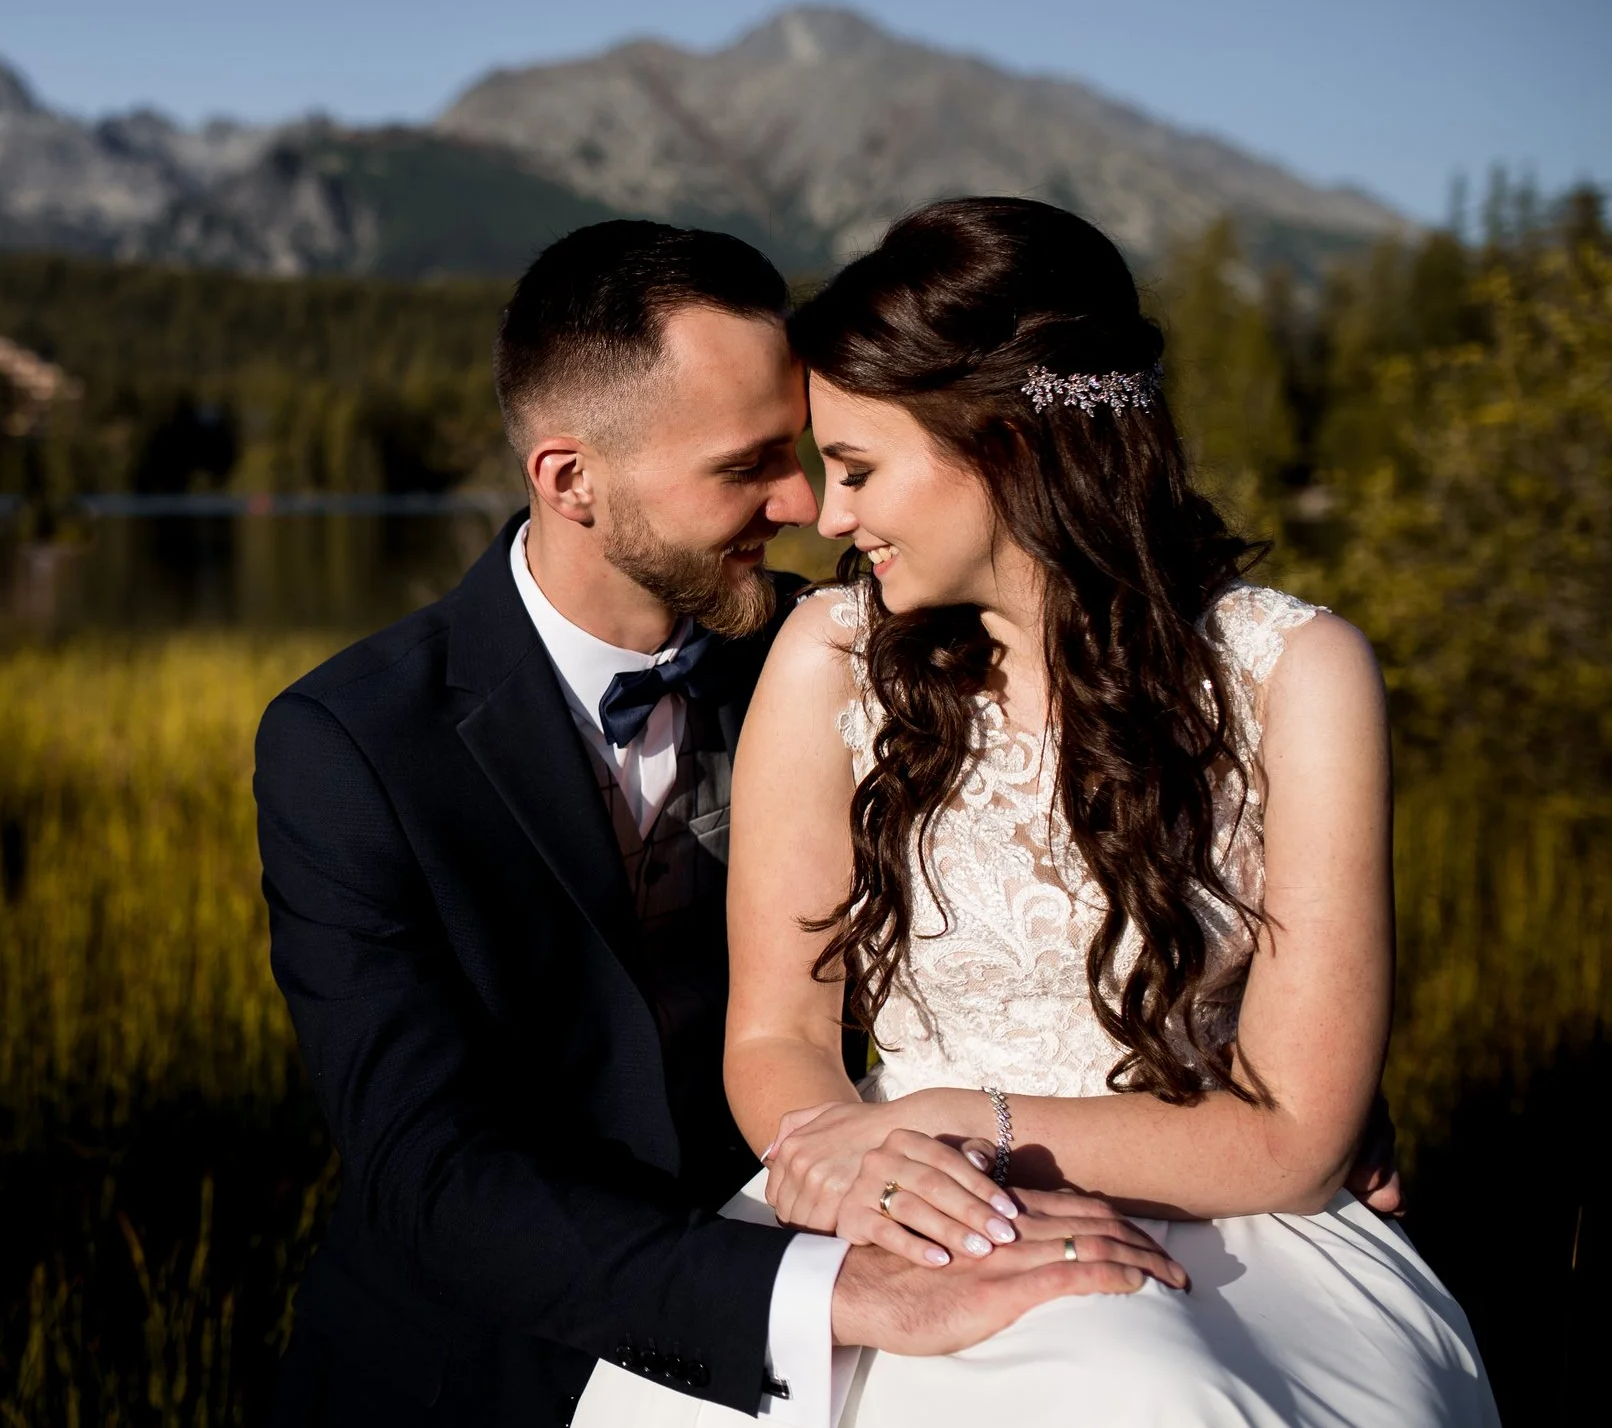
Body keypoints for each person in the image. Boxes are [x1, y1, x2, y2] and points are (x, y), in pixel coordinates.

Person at [575, 198, 1498, 1427]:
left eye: (855, 467)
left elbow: (1295, 1137)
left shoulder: (1298, 672)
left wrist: (966, 1118)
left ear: (1006, 445)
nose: (829, 515)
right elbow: (778, 1034)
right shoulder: (829, 653)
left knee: (1149, 1393)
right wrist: (875, 1168)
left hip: (1230, 1231)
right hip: (894, 1196)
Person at [258, 220, 1196, 1428]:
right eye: (745, 466)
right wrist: (833, 1290)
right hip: (480, 1366)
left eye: (802, 451)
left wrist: (1237, 1074)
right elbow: (428, 1171)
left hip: (848, 1306)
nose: (803, 503)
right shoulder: (349, 742)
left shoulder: (853, 660)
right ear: (569, 478)